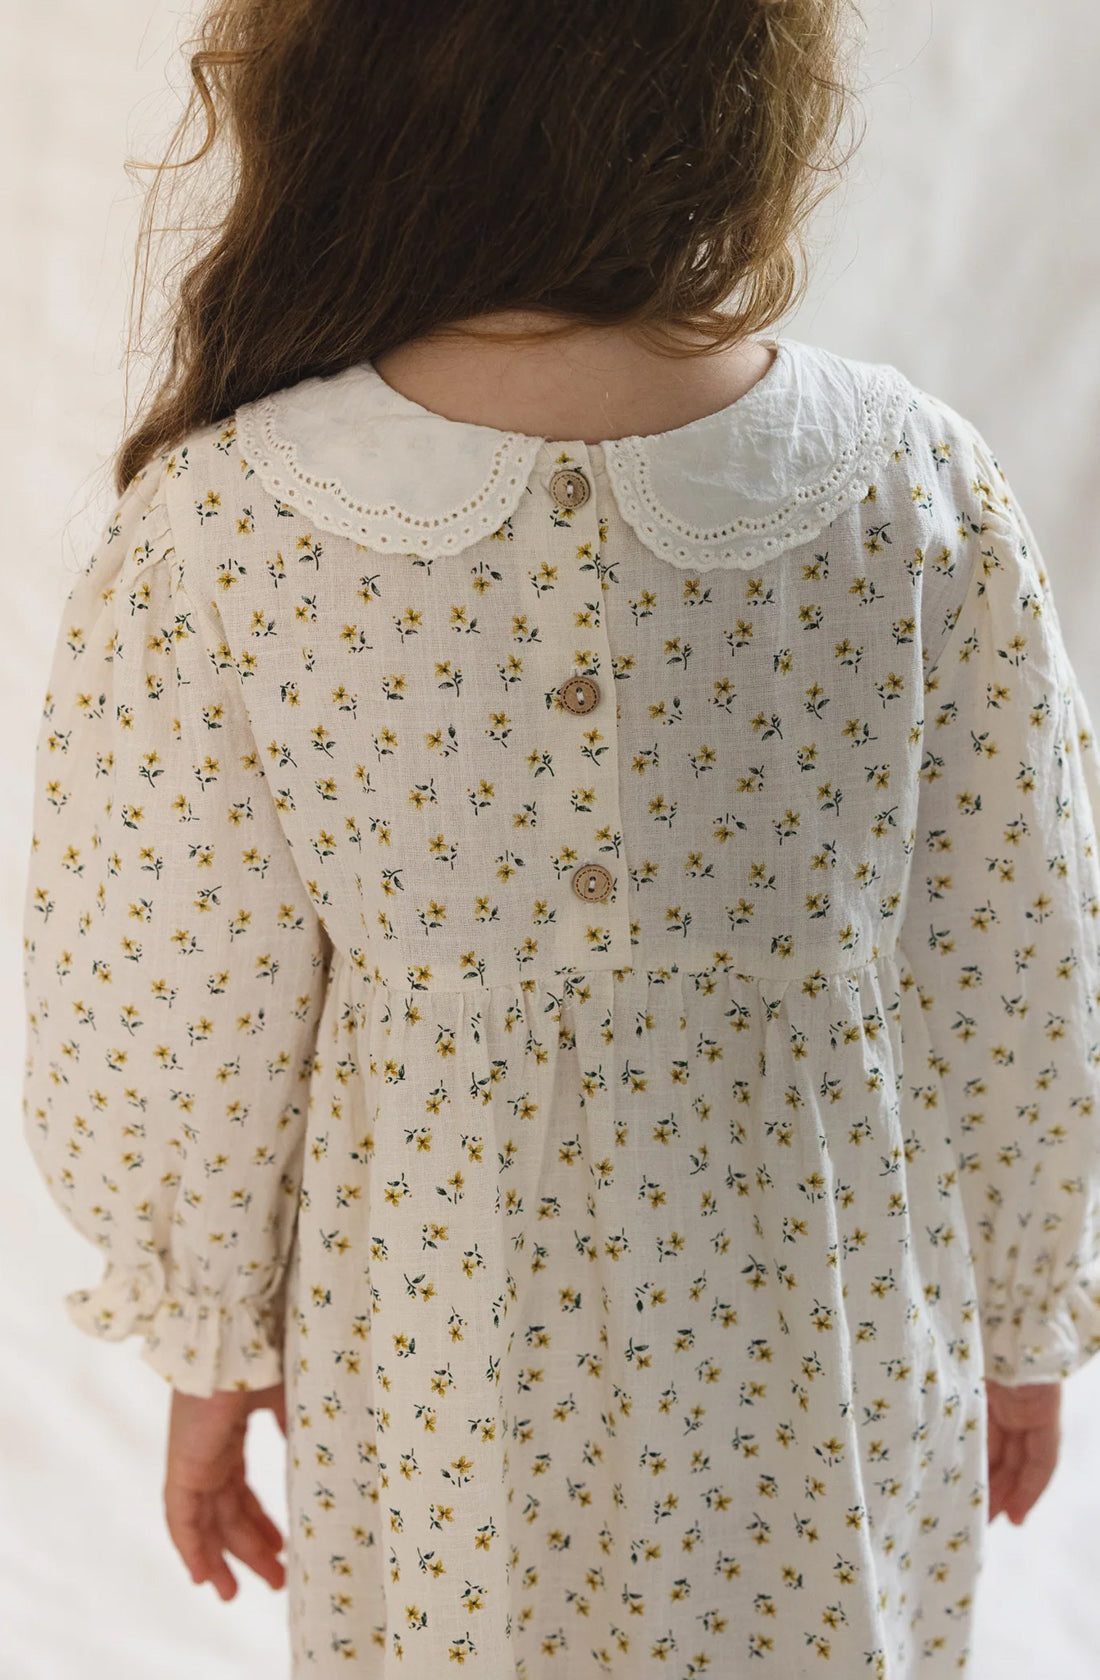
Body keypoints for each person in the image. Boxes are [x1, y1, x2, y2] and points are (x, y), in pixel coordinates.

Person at [20, 1, 1100, 1675]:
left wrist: (209, 1359)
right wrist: (1023, 1307)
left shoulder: (228, 529)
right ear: (738, 93)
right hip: (818, 1335)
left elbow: (174, 1011)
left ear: (355, 101)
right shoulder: (909, 486)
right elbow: (1023, 952)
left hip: (434, 1363)